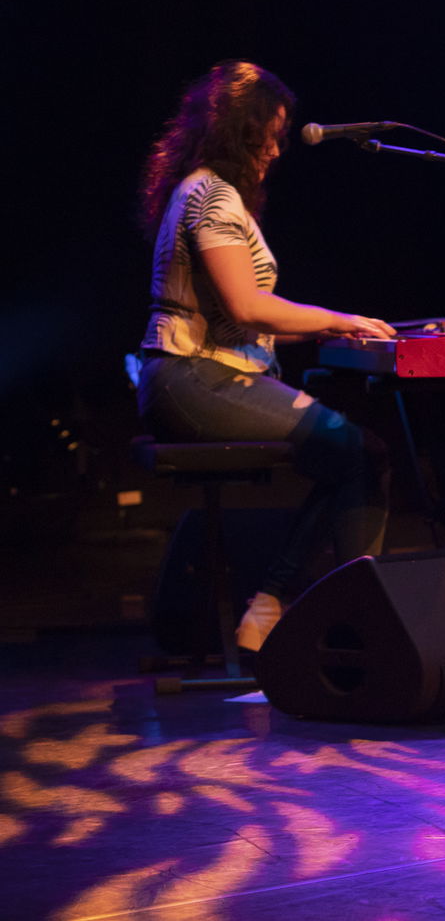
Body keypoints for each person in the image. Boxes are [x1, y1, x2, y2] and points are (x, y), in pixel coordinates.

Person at [136, 60, 396, 652]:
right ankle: (335, 618)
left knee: (361, 453)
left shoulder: (208, 192)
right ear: (240, 130)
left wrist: (338, 331)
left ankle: (291, 609)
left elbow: (246, 314)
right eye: (271, 133)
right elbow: (248, 306)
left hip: (202, 374)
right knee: (354, 451)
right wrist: (341, 320)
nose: (278, 150)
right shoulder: (211, 196)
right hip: (191, 378)